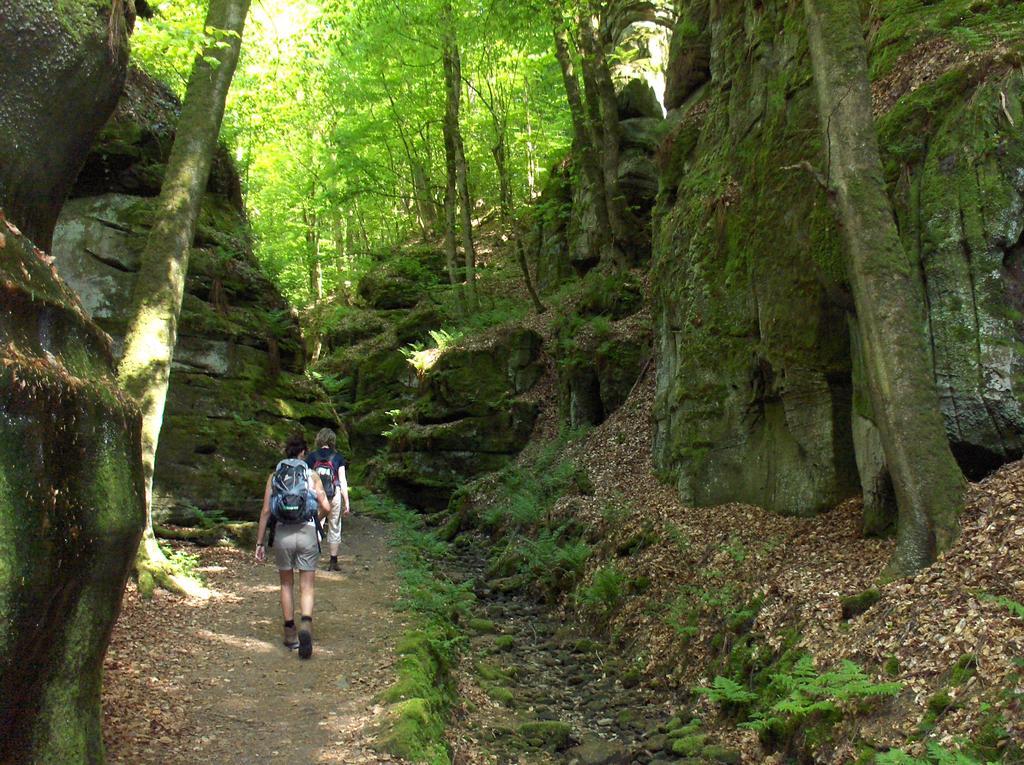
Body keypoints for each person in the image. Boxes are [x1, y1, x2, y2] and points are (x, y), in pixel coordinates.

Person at [255, 433, 330, 659]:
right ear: (303, 453)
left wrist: (259, 543)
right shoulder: (312, 476)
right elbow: (326, 506)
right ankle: (306, 623)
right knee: (306, 584)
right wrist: (315, 518)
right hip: (307, 532)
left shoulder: (274, 476)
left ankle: (290, 632)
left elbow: (266, 512)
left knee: (286, 584)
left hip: (282, 534)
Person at [305, 427, 351, 571]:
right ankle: (333, 561)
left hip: (316, 495)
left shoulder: (312, 457)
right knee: (335, 527)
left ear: (319, 439)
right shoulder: (338, 457)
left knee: (315, 525)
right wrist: (347, 503)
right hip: (334, 495)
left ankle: (311, 559)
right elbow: (342, 481)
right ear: (332, 441)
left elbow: (307, 479)